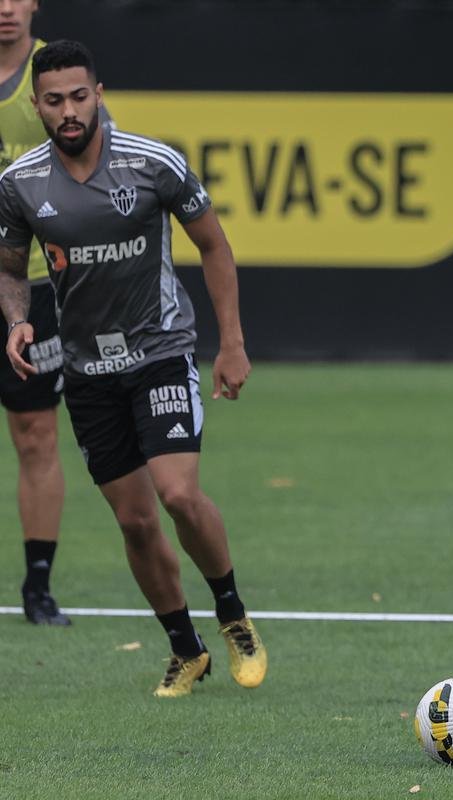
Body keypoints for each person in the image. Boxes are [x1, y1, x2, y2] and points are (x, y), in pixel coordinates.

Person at [0, 40, 267, 697]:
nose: (68, 111)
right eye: (54, 100)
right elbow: (9, 270)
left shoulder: (152, 163)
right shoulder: (20, 183)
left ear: (99, 94)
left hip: (161, 351)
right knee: (135, 522)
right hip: (88, 371)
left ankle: (232, 612)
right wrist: (17, 320)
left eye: (79, 96)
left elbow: (214, 246)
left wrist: (232, 343)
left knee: (176, 494)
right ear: (37, 105)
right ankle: (185, 648)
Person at [0, 0, 68, 625]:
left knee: (36, 433)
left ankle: (38, 586)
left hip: (31, 285)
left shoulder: (56, 78)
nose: (4, 8)